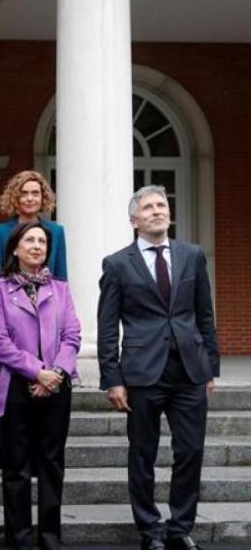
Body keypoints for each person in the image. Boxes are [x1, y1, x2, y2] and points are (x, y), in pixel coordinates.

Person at [97, 185, 220, 550]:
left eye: (161, 205)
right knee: (142, 454)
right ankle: (150, 529)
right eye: (148, 207)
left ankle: (181, 528)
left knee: (191, 451)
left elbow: (205, 313)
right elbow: (107, 326)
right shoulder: (117, 263)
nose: (156, 211)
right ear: (135, 219)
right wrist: (111, 378)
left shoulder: (192, 255)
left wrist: (210, 366)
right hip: (141, 372)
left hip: (189, 371)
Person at [0, 221, 81, 550]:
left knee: (51, 464)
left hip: (56, 387)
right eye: (30, 240)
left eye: (42, 241)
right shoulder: (0, 290)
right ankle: (19, 539)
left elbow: (72, 336)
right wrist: (37, 371)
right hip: (17, 387)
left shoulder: (61, 289)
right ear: (15, 247)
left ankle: (50, 537)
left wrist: (54, 373)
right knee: (16, 467)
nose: (37, 246)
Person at [0, 170, 67, 289]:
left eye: (35, 193)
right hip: (10, 303)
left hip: (49, 303)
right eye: (24, 193)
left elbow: (61, 279)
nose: (30, 198)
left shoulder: (56, 232)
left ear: (43, 197)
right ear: (15, 197)